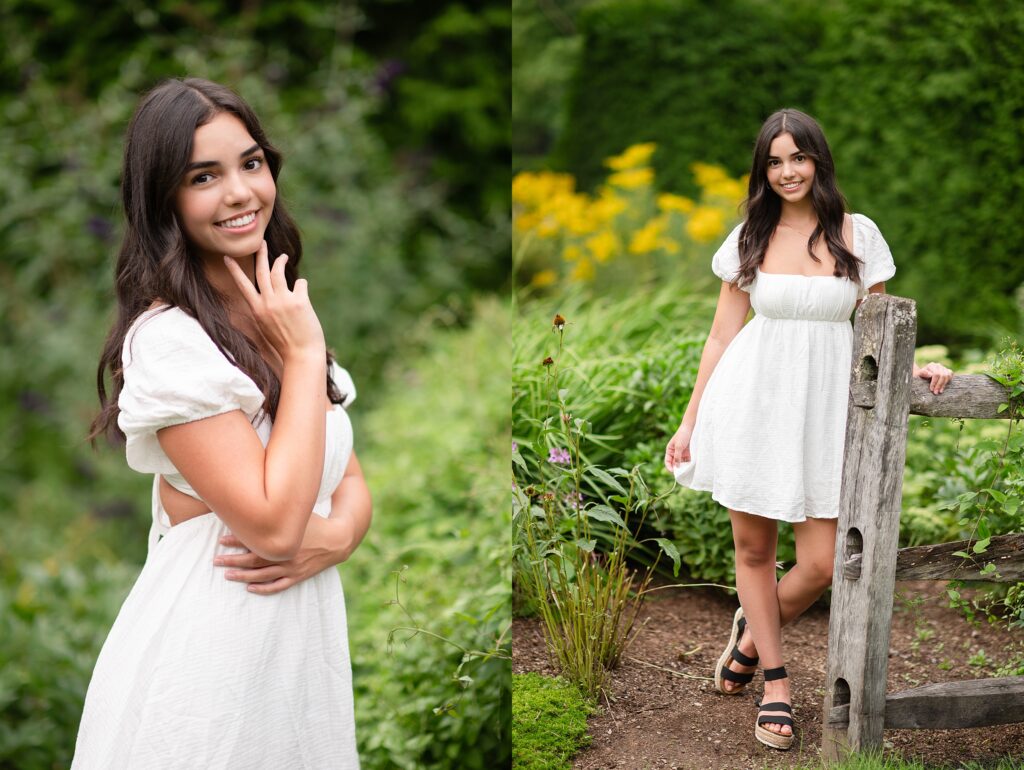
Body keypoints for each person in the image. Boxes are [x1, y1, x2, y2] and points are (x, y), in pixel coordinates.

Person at [79, 77, 371, 768]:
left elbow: (348, 477)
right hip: (213, 665)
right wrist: (301, 358)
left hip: (294, 655)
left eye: (251, 162)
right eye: (203, 176)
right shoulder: (172, 342)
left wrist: (335, 539)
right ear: (164, 200)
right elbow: (271, 526)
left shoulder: (272, 305)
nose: (241, 192)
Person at [663, 108, 953, 751]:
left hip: (826, 409)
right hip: (751, 401)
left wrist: (919, 358)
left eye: (798, 157)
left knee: (822, 561)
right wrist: (690, 423)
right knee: (754, 552)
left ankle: (749, 635)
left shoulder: (856, 233)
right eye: (774, 160)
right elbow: (720, 334)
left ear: (818, 160)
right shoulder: (749, 236)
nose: (787, 171)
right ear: (762, 170)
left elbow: (880, 320)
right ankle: (774, 683)